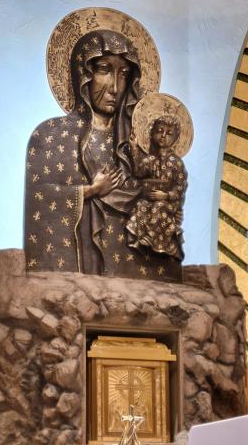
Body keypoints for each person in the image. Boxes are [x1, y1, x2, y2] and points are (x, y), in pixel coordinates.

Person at [23, 26, 182, 282]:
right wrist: (90, 191)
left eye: (124, 73)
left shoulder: (139, 148)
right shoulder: (51, 136)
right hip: (73, 281)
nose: (115, 87)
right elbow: (39, 199)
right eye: (104, 69)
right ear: (83, 74)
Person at [126, 114, 188, 261]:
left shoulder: (176, 163)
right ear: (152, 133)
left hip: (169, 203)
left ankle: (151, 238)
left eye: (169, 133)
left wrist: (165, 195)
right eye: (159, 131)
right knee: (141, 205)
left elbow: (180, 187)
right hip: (151, 199)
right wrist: (134, 148)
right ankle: (136, 239)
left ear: (175, 139)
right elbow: (138, 171)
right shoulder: (151, 159)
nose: (163, 135)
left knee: (159, 207)